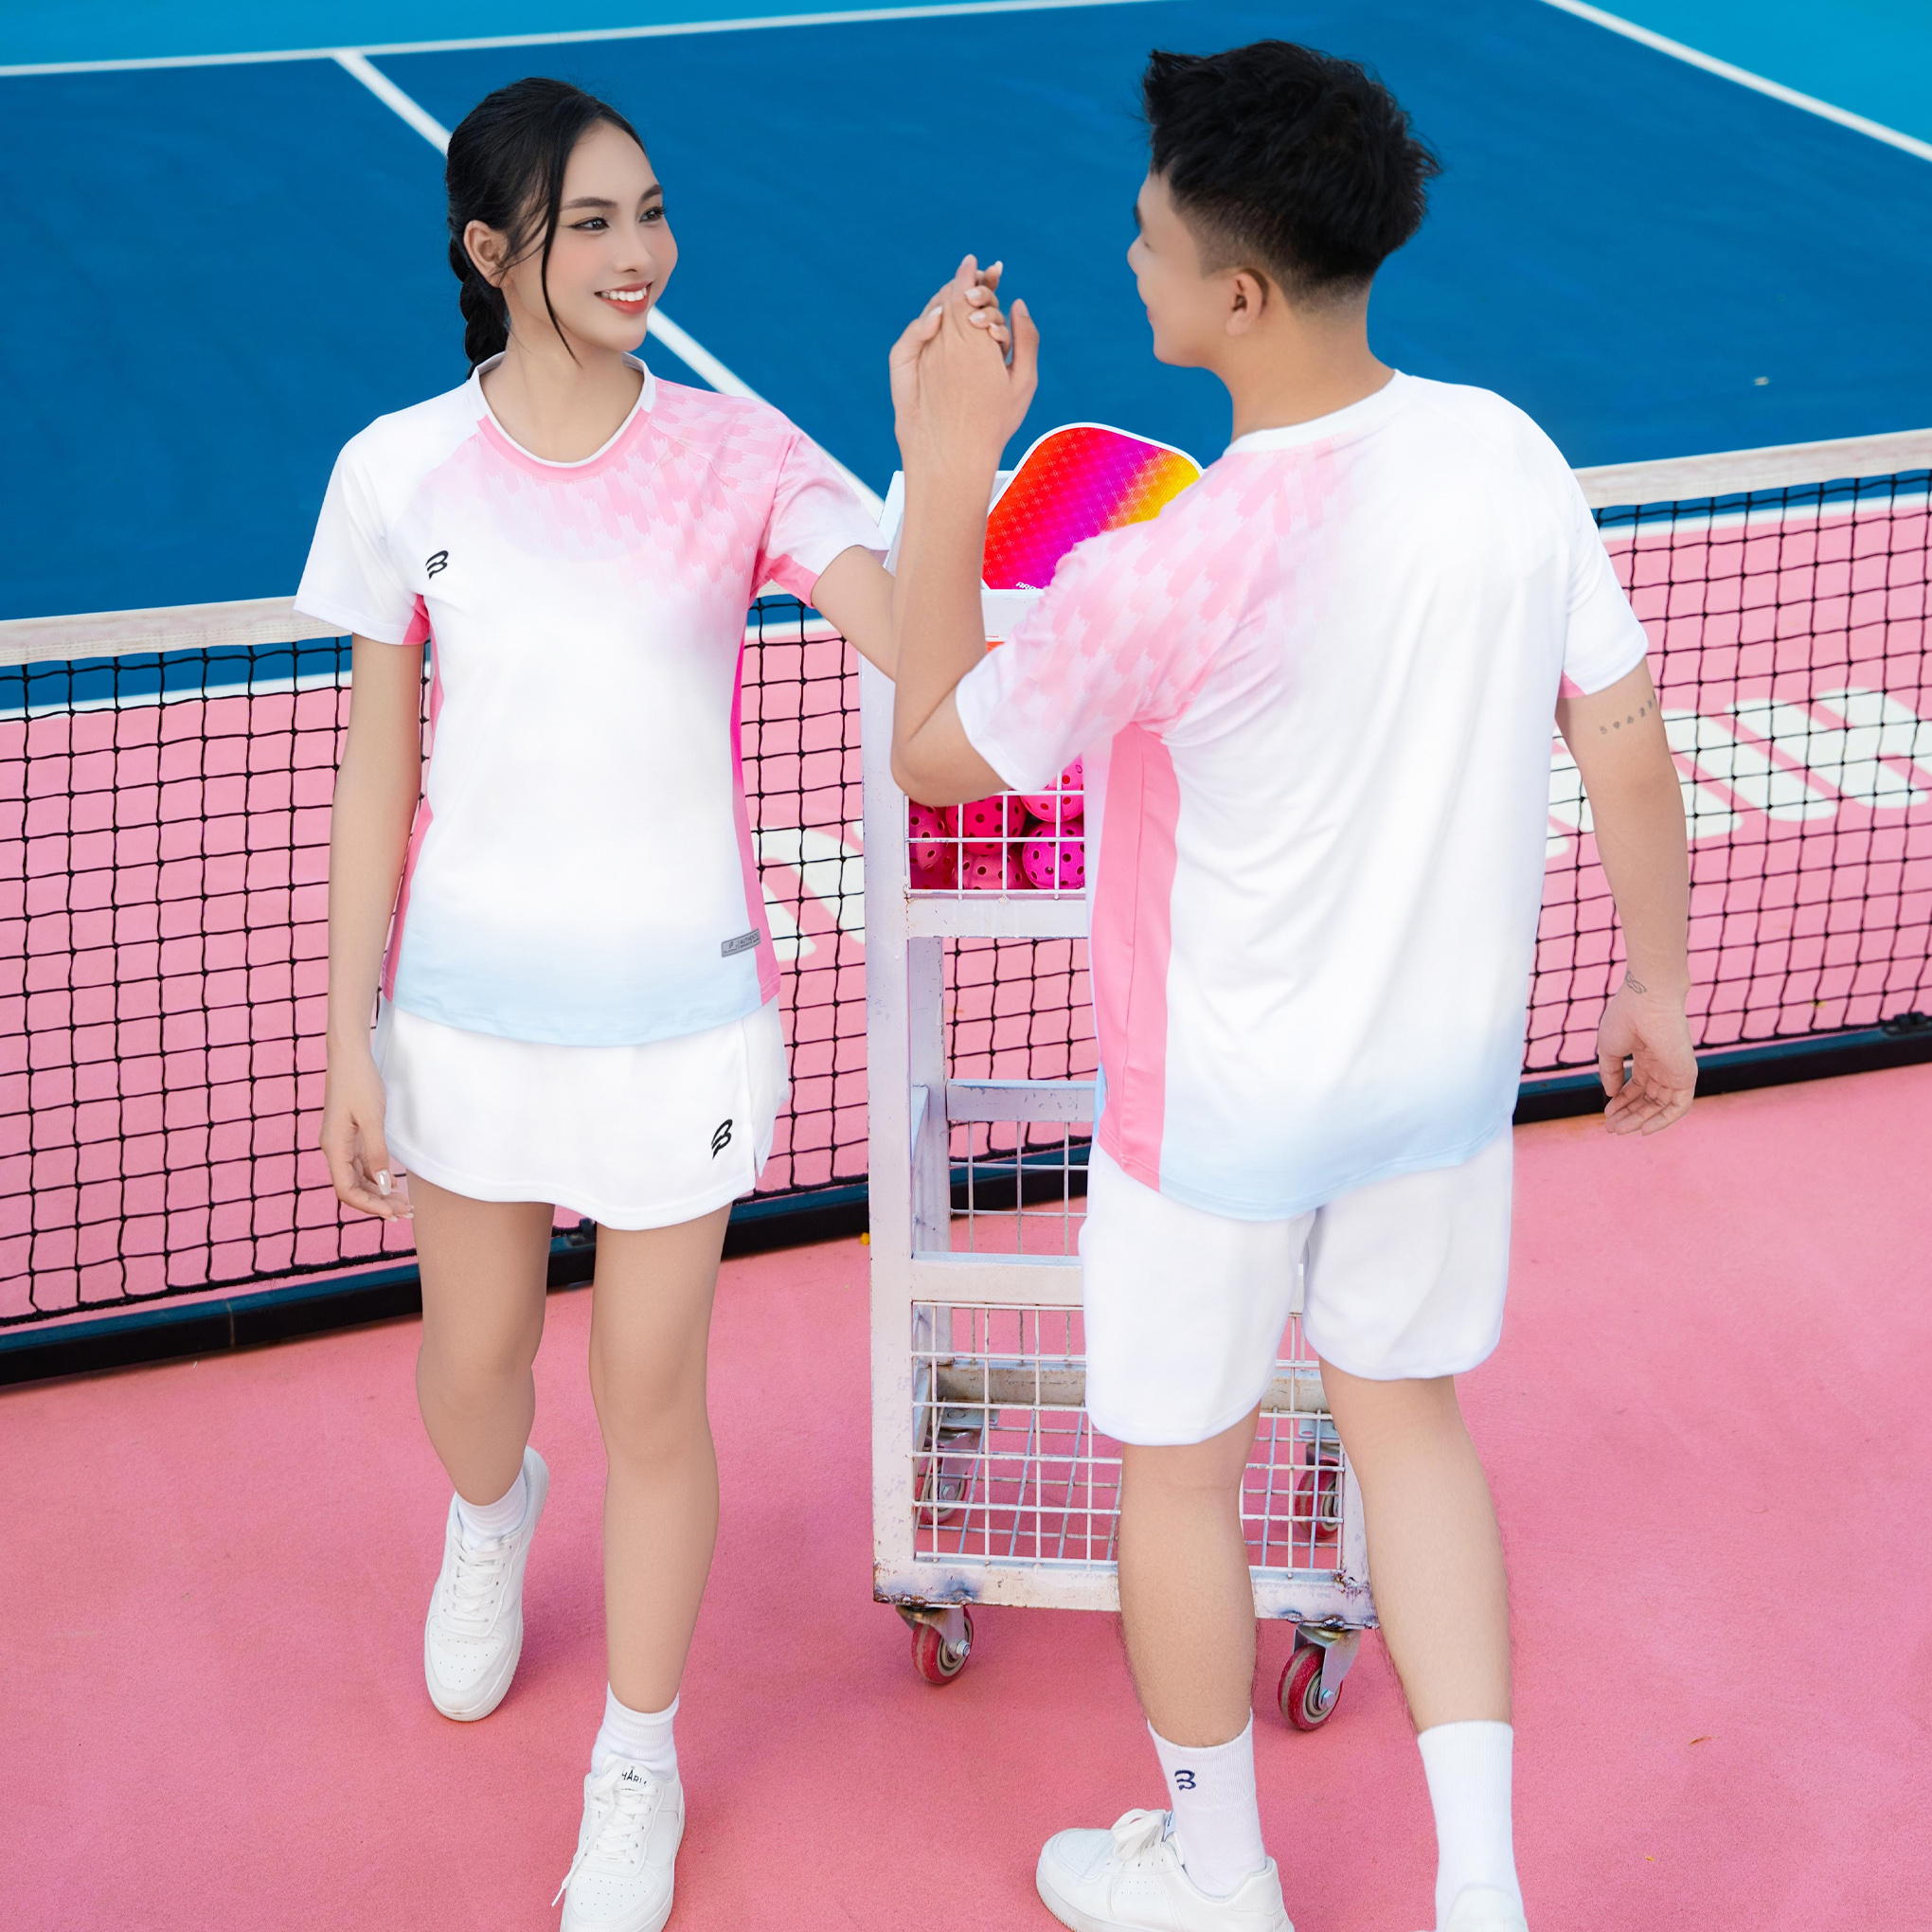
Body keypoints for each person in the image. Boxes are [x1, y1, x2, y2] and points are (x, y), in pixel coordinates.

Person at [886, 40, 1696, 1932]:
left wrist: (950, 472)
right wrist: (1656, 982)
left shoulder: (1169, 574)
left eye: (1150, 235)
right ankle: (1480, 1889)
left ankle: (1220, 1875)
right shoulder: (1506, 453)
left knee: (1182, 1481)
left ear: (1238, 294)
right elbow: (1625, 730)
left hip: (1218, 1121)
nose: (1129, 255)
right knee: (1412, 1429)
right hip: (1438, 1092)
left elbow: (936, 751)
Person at [298, 78, 1002, 1932]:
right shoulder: (396, 473)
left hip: (682, 1021)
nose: (641, 255)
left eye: (653, 214)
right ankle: (491, 1513)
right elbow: (378, 769)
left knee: (653, 1393)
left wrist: (946, 462)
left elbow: (921, 647)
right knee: (474, 1373)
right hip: (462, 1015)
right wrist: (345, 1031)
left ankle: (638, 1758)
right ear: (491, 250)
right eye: (593, 223)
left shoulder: (738, 457)